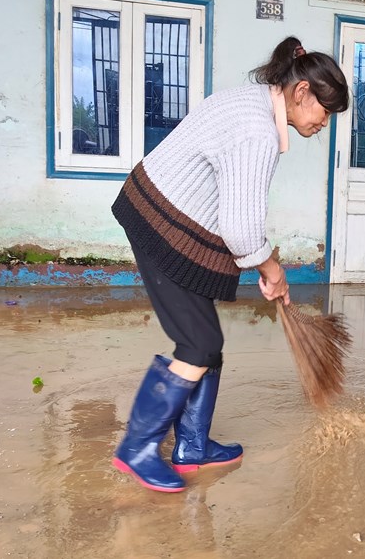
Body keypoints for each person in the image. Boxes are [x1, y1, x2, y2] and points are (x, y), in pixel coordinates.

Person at [110, 37, 350, 493]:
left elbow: (231, 211)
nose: (324, 123)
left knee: (206, 341)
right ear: (301, 93)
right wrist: (269, 267)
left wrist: (260, 258)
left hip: (170, 218)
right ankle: (137, 448)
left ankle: (193, 446)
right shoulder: (257, 131)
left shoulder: (252, 103)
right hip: (162, 227)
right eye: (325, 111)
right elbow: (240, 230)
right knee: (198, 344)